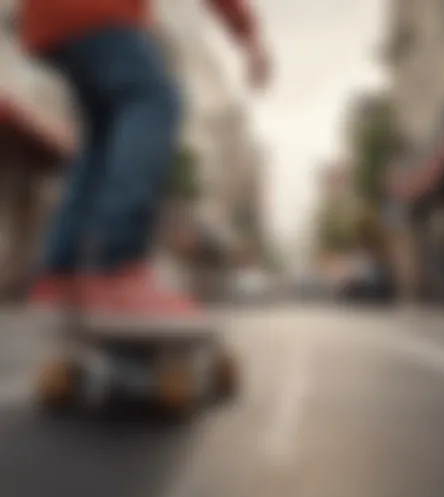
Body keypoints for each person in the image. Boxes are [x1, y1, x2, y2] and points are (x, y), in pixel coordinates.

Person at [20, 0, 270, 320]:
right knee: (152, 100)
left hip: (47, 17)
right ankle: (116, 265)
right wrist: (249, 37)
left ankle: (61, 275)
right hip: (95, 11)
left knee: (103, 135)